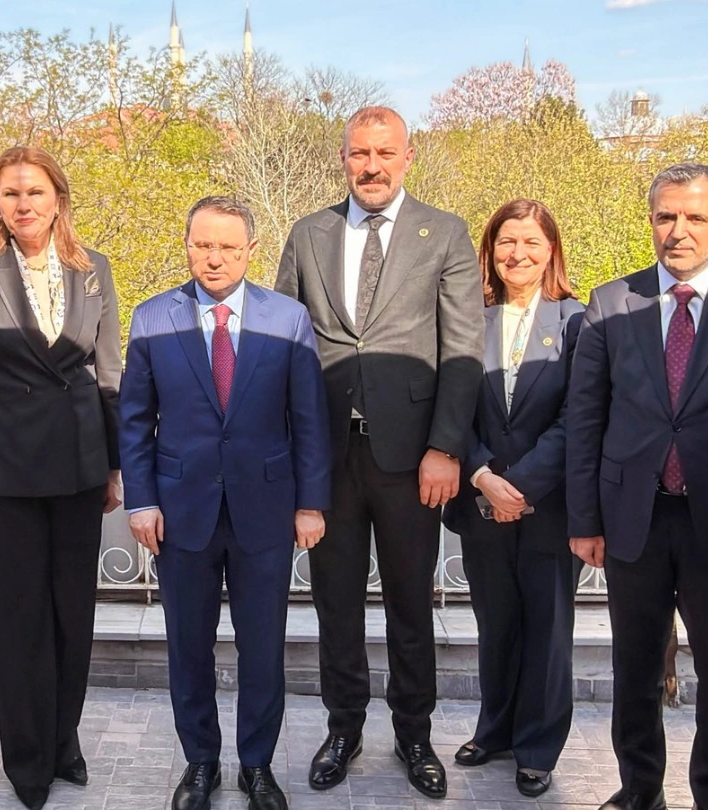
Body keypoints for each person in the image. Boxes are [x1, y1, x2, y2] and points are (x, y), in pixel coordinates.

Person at [565, 163, 708, 810]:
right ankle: (640, 792)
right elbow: (586, 420)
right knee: (634, 672)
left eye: (695, 217)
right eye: (666, 216)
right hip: (633, 520)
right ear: (651, 221)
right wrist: (584, 520)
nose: (679, 231)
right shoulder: (611, 302)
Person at [273, 105, 483, 799]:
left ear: (407, 156)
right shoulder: (309, 234)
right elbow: (283, 345)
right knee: (335, 603)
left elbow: (461, 350)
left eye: (384, 152)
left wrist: (446, 446)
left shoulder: (445, 234)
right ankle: (343, 727)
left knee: (409, 604)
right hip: (328, 457)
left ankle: (414, 733)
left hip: (411, 457)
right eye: (360, 152)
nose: (371, 165)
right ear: (343, 158)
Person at [120, 196, 330, 810]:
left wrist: (311, 502)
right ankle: (201, 763)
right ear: (186, 245)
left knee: (263, 646)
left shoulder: (287, 318)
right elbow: (134, 420)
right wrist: (140, 501)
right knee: (189, 646)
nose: (214, 258)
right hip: (180, 511)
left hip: (265, 509)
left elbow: (309, 418)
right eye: (203, 245)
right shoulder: (154, 317)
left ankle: (257, 765)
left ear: (249, 251)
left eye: (228, 248)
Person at [0, 145, 123, 810]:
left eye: (35, 193)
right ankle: (27, 758)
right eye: (11, 194)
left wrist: (112, 463)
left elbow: (108, 374)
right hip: (4, 476)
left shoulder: (92, 269)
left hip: (77, 471)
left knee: (73, 615)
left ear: (57, 199)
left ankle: (63, 739)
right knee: (16, 622)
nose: (24, 204)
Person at [440, 199, 583, 798]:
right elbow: (450, 406)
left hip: (548, 505)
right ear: (490, 251)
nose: (517, 254)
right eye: (505, 242)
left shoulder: (579, 319)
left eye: (530, 242)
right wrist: (480, 475)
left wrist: (519, 485)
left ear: (550, 249)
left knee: (548, 629)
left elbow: (582, 414)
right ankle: (495, 730)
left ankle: (537, 745)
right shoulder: (468, 318)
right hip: (481, 501)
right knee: (495, 623)